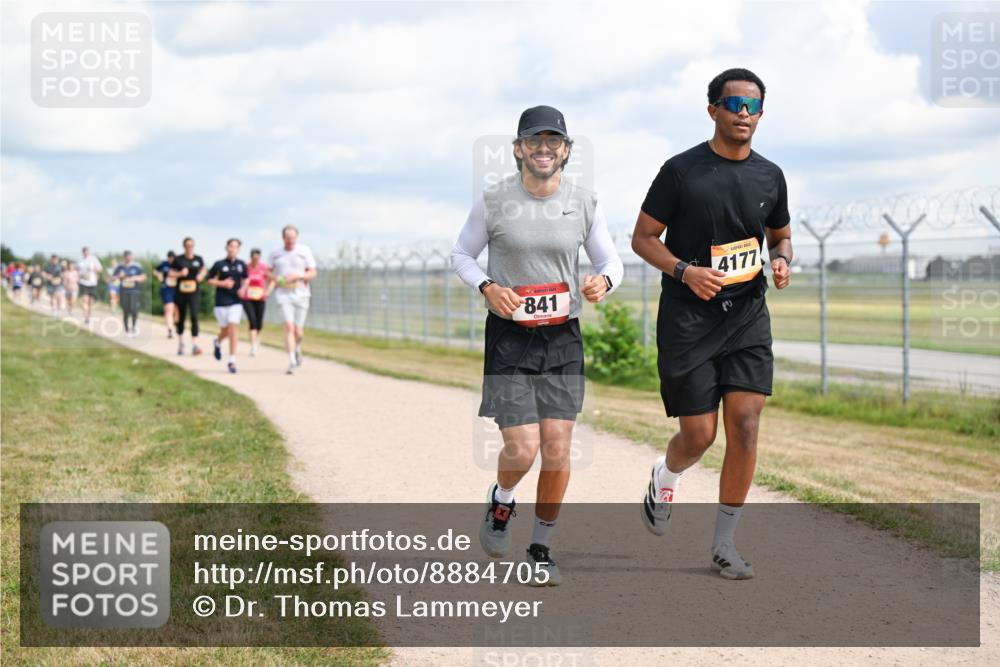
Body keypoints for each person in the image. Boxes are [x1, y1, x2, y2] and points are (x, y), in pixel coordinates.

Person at [451, 105, 624, 586]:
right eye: (534, 141)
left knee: (558, 448)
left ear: (566, 150)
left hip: (562, 337)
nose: (543, 149)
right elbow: (461, 254)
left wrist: (604, 282)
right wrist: (488, 286)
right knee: (523, 448)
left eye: (553, 141)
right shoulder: (494, 200)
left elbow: (611, 261)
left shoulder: (584, 202)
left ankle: (541, 548)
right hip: (510, 338)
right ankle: (502, 500)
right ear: (518, 149)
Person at [631, 68, 793, 580]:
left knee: (745, 425)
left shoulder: (771, 176)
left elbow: (780, 235)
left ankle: (724, 544)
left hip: (747, 315)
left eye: (753, 106)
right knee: (699, 435)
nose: (744, 114)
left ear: (761, 114)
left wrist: (782, 259)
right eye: (734, 105)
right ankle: (666, 475)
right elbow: (643, 238)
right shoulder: (681, 172)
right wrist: (685, 271)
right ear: (713, 110)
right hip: (688, 320)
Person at [268, 225, 317, 375]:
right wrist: (277, 278)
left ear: (297, 237)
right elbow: (268, 273)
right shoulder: (275, 254)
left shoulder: (304, 251)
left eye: (293, 238)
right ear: (283, 238)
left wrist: (299, 276)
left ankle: (297, 348)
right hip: (283, 294)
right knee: (289, 327)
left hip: (301, 294)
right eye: (288, 238)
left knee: (298, 331)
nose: (290, 240)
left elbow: (313, 272)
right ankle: (292, 361)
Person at [207, 238, 248, 374]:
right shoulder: (219, 264)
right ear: (226, 248)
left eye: (235, 247)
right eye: (231, 246)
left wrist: (243, 288)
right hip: (221, 303)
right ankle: (217, 341)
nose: (233, 249)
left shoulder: (241, 264)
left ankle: (232, 361)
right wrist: (222, 283)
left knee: (233, 327)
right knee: (225, 331)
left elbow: (246, 278)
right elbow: (209, 280)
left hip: (236, 302)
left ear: (238, 249)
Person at [171, 237, 207, 356]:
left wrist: (201, 275)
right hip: (181, 292)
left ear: (193, 246)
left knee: (194, 316)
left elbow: (204, 269)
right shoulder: (178, 259)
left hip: (194, 292)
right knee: (180, 318)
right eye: (187, 245)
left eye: (191, 245)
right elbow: (170, 273)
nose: (189, 247)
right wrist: (180, 273)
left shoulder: (198, 259)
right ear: (184, 246)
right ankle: (181, 343)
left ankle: (194, 345)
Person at [241, 247, 270, 356]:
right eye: (254, 258)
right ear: (251, 257)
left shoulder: (264, 268)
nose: (255, 260)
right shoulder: (246, 267)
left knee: (259, 322)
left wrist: (267, 291)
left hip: (260, 298)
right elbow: (241, 280)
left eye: (257, 258)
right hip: (247, 298)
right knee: (252, 321)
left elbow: (272, 280)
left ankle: (257, 339)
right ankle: (253, 346)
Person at [113, 250, 147, 336]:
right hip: (123, 291)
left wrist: (136, 278)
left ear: (132, 257)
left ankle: (134, 326)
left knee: (134, 309)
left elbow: (144, 278)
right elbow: (112, 278)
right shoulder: (120, 267)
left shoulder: (137, 266)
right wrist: (119, 276)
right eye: (126, 257)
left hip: (134, 291)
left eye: (129, 256)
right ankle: (126, 329)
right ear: (124, 257)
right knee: (125, 310)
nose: (128, 258)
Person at [154, 251, 178, 338]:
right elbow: (155, 270)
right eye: (169, 257)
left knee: (176, 310)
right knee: (168, 309)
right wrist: (159, 275)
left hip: (177, 289)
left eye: (172, 257)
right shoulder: (164, 264)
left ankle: (176, 324)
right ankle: (170, 330)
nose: (171, 259)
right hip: (166, 289)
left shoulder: (179, 264)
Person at [77, 246, 103, 324]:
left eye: (86, 251)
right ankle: (86, 317)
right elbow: (76, 271)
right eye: (84, 251)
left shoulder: (94, 259)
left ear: (88, 252)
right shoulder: (80, 261)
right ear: (82, 252)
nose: (85, 253)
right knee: (85, 300)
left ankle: (88, 316)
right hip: (83, 282)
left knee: (90, 302)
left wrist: (93, 269)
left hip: (92, 283)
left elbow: (100, 269)